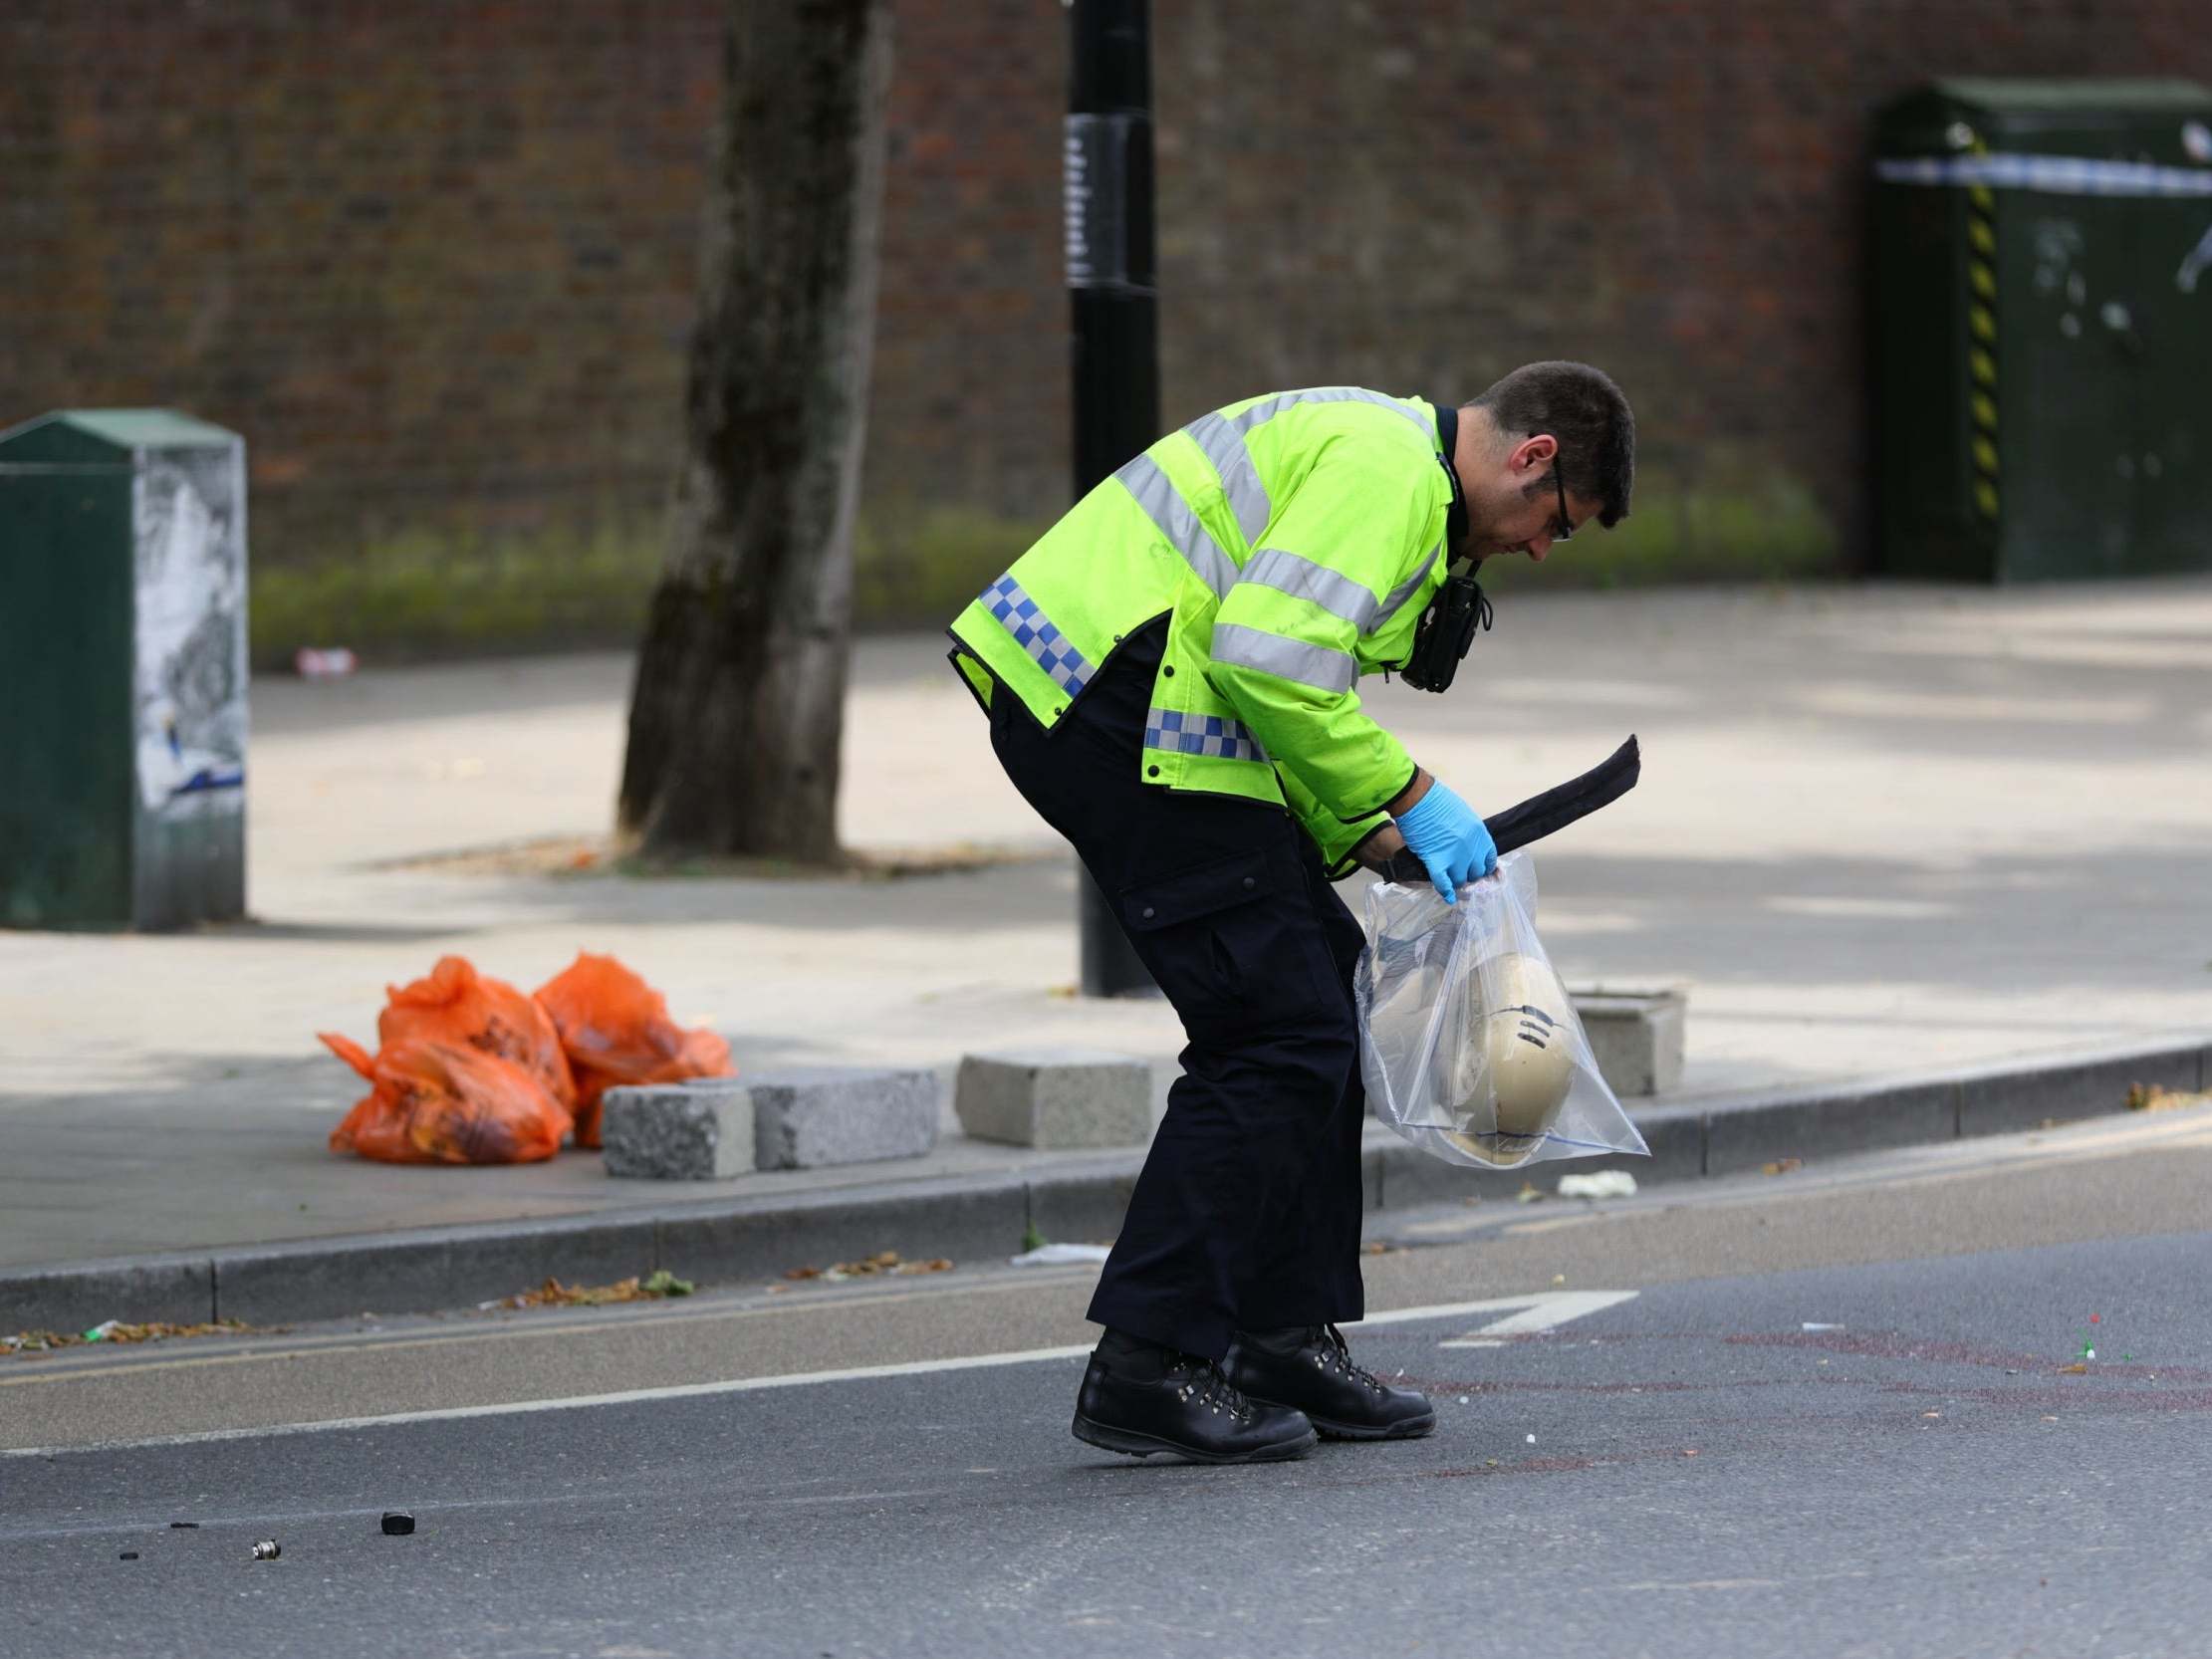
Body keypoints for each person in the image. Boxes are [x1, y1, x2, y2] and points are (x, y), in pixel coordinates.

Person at [947, 361, 1636, 1463]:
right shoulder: (1386, 473)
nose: (1543, 549)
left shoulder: (1394, 470)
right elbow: (1265, 660)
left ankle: (1275, 1337)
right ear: (1532, 456)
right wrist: (1410, 794)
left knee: (1317, 979)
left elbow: (1279, 683)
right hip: (1107, 693)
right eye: (1556, 522)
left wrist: (1358, 833)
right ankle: (1145, 1363)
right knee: (1275, 1030)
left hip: (1133, 690)